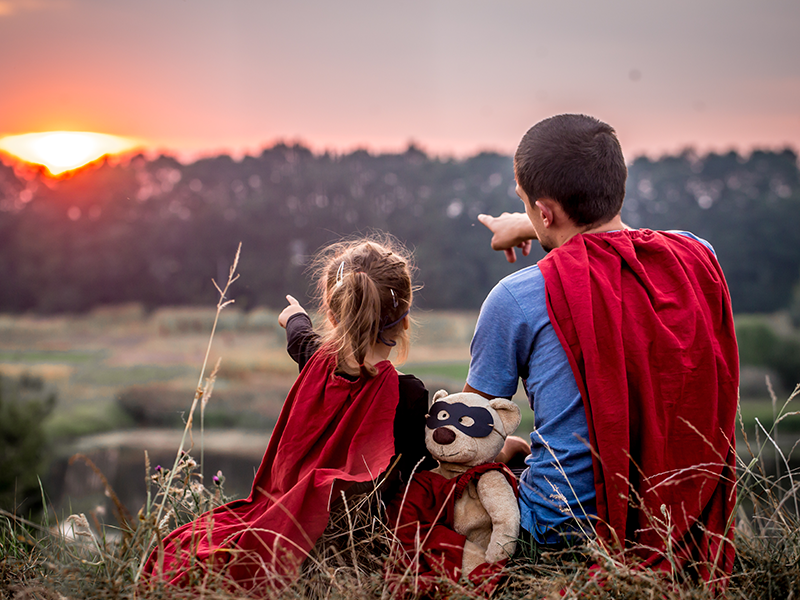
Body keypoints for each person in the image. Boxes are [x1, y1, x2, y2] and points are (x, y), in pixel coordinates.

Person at [465, 114, 739, 581]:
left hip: (561, 530)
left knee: (439, 499)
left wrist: (510, 445)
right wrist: (531, 223)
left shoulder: (516, 297)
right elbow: (612, 241)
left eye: (526, 205)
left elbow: (469, 433)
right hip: (683, 522)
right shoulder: (698, 258)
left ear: (544, 211)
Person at [142, 236, 434, 592]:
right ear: (404, 322)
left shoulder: (315, 360)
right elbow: (420, 467)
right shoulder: (410, 394)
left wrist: (293, 315)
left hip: (291, 519)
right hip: (361, 538)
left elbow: (299, 335)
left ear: (331, 312)